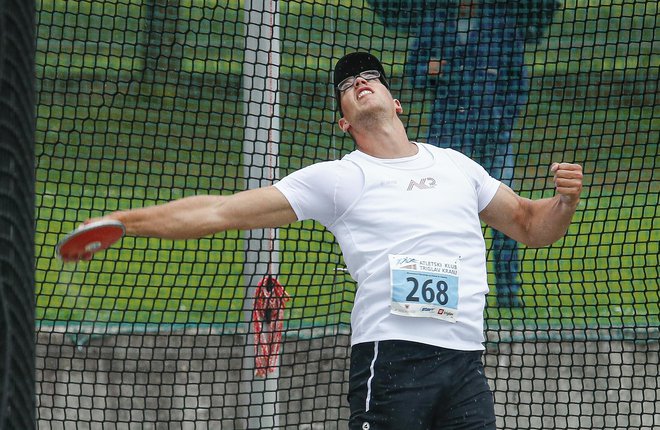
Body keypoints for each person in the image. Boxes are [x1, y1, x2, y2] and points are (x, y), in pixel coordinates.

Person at [85, 52, 583, 429]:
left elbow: (528, 224)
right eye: (346, 85)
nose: (360, 82)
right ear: (344, 121)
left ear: (397, 101)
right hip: (392, 360)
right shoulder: (339, 179)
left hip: (465, 365)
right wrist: (125, 221)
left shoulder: (456, 165)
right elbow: (219, 210)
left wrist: (563, 201)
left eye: (369, 77)